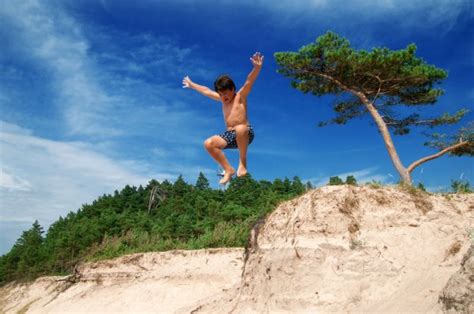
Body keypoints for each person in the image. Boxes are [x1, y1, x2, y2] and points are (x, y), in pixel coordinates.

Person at [183, 52, 264, 184]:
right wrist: (192, 85)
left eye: (225, 93)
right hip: (231, 135)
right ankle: (228, 169)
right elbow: (206, 91)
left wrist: (257, 68)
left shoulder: (240, 96)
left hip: (245, 134)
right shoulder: (222, 100)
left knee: (240, 128)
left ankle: (242, 163)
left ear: (233, 89)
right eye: (220, 94)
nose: (223, 97)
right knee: (208, 144)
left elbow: (249, 82)